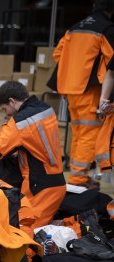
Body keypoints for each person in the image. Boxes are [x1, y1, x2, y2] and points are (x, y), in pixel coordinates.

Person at [53, 1, 114, 189]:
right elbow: (112, 59)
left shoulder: (74, 28)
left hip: (70, 88)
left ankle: (77, 174)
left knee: (78, 132)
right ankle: (78, 178)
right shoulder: (106, 29)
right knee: (89, 133)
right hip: (90, 89)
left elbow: (58, 54)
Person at [0, 81, 66, 229]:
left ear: (12, 101)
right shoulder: (45, 109)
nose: (6, 113)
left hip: (39, 188)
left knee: (24, 235)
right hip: (55, 182)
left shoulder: (21, 121)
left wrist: (7, 125)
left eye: (5, 108)